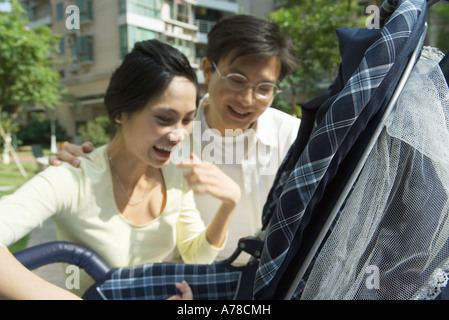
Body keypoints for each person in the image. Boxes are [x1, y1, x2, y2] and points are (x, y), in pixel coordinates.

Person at [0, 39, 240, 299]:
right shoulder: (73, 177)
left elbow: (196, 256)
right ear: (121, 112)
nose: (179, 135)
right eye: (164, 119)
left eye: (187, 119)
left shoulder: (175, 174)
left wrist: (229, 204)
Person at [51, 15, 300, 264]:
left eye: (264, 88)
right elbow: (120, 162)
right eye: (236, 80)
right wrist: (83, 162)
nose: (247, 99)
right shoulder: (169, 137)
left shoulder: (293, 136)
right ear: (206, 70)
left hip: (269, 276)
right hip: (192, 279)